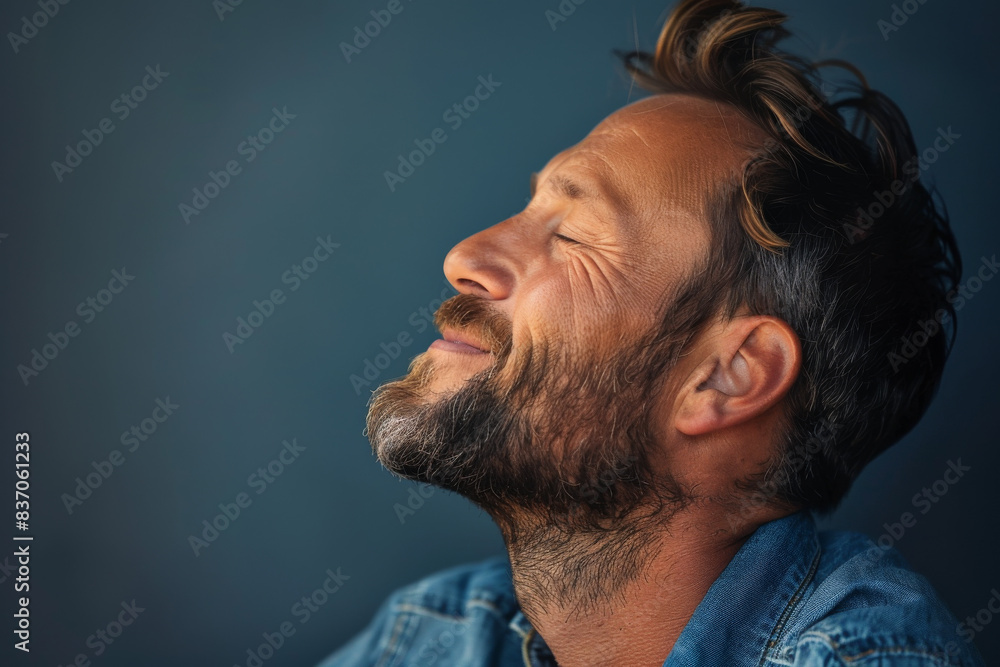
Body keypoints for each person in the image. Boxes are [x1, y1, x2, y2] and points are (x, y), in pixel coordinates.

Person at [320, 0, 982, 664]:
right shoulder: (441, 631)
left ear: (728, 375)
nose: (463, 258)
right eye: (529, 207)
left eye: (572, 234)